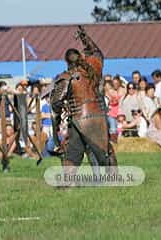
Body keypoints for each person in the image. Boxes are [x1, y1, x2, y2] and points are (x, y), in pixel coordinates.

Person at [49, 26, 117, 175]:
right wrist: (84, 38)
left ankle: (68, 184)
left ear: (66, 61)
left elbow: (56, 102)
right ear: (81, 56)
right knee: (105, 151)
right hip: (99, 116)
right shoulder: (94, 69)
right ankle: (115, 182)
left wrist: (59, 119)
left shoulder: (66, 77)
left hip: (79, 120)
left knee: (73, 154)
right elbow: (97, 52)